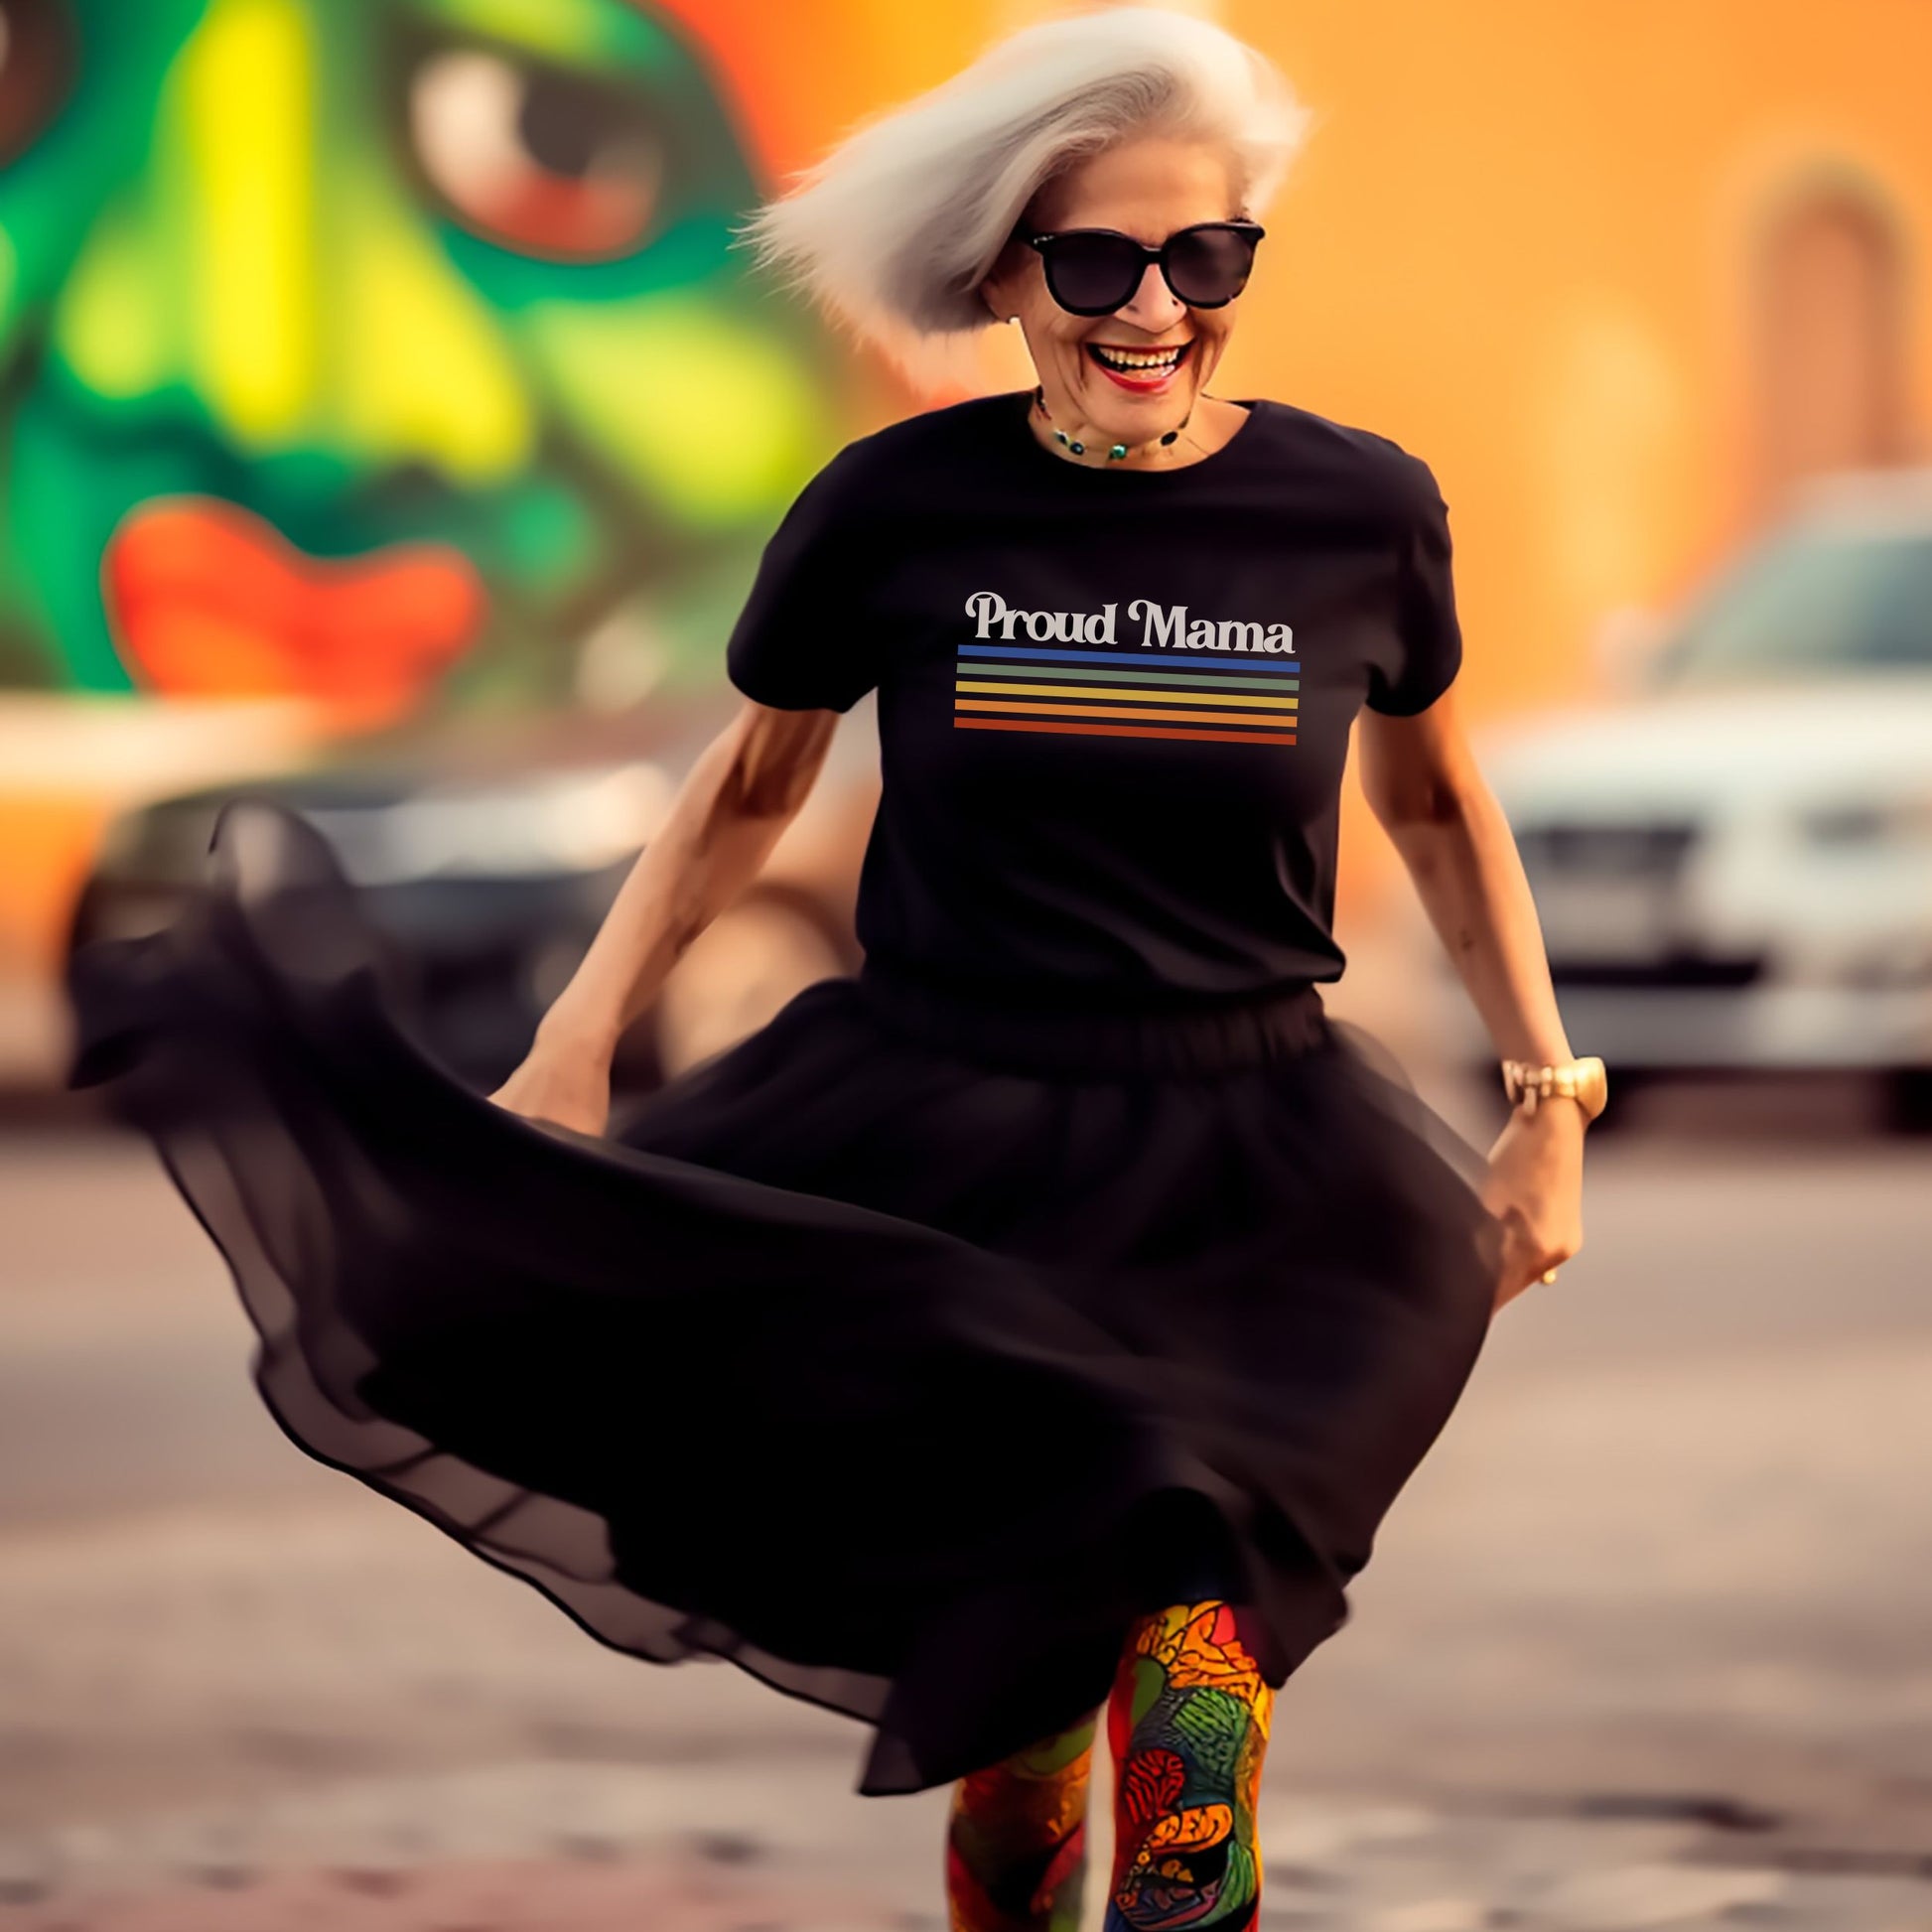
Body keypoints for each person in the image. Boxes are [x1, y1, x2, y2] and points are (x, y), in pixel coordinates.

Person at [64, 9, 1606, 1929]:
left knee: (1193, 1627)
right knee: (1032, 1695)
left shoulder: (1357, 509)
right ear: (1003, 272)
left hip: (1268, 1173)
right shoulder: (896, 511)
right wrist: (575, 1044)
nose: (1150, 308)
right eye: (1095, 261)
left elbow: (1444, 813)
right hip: (961, 1146)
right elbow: (741, 794)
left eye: (1201, 257)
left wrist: (1545, 1100)